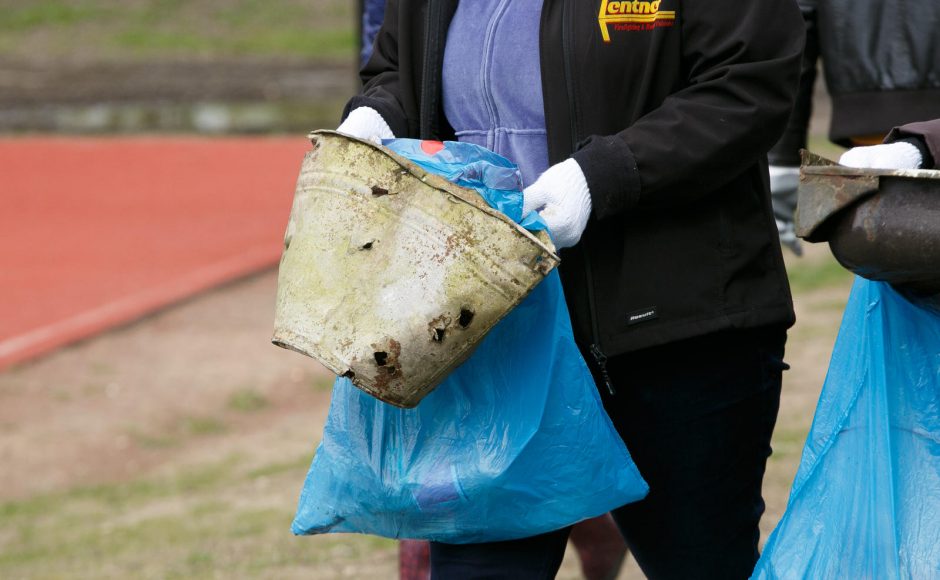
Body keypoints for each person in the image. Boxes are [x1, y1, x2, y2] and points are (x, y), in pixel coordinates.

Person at [336, 0, 804, 577]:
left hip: (671, 332)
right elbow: (397, 69)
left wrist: (603, 175)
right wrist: (378, 115)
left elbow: (749, 86)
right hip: (493, 332)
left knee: (700, 563)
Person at [768, 0, 940, 255]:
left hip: (866, 124)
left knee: (886, 248)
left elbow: (797, 35)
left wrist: (782, 160)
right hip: (923, 127)